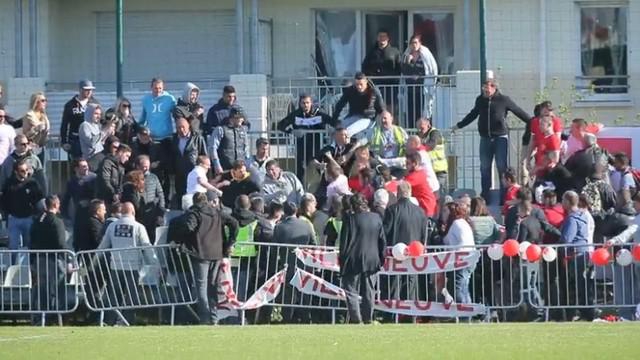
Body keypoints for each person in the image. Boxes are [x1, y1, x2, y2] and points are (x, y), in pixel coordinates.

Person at [453, 78, 531, 202]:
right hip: (485, 138)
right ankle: (485, 197)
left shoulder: (504, 100)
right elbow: (473, 114)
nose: (486, 91)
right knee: (485, 168)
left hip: (500, 137)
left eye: (488, 88)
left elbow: (518, 111)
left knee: (501, 167)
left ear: (494, 88)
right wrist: (459, 125)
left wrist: (532, 121)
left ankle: (503, 197)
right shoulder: (480, 100)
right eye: (484, 88)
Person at [98, 202, 158, 325]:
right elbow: (147, 247)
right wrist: (156, 264)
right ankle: (127, 321)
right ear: (133, 212)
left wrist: (93, 261)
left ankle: (110, 321)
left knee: (114, 296)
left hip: (115, 266)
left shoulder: (112, 226)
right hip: (133, 266)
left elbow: (103, 246)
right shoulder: (138, 227)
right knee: (131, 297)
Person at [339, 193, 386, 324]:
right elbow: (382, 241)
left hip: (353, 258)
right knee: (369, 291)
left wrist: (342, 261)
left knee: (351, 291)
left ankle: (356, 319)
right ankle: (368, 318)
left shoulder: (350, 219)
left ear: (353, 206)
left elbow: (344, 243)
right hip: (372, 258)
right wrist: (382, 258)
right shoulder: (377, 218)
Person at [29, 195, 69, 324]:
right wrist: (67, 260)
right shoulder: (56, 222)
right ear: (56, 205)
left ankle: (41, 318)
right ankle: (56, 318)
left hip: (39, 260)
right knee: (56, 290)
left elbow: (31, 241)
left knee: (41, 291)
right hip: (54, 260)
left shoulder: (37, 221)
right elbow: (61, 243)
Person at [277, 94, 337, 178]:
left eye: (307, 103)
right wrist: (292, 131)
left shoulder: (319, 113)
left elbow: (334, 123)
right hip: (301, 144)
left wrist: (332, 130)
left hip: (316, 144)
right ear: (300, 104)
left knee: (321, 169)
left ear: (311, 103)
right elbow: (280, 126)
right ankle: (299, 188)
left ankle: (323, 185)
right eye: (303, 103)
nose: (305, 105)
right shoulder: (295, 115)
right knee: (301, 169)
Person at [558, 191, 594, 321]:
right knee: (584, 285)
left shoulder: (572, 218)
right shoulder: (583, 216)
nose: (561, 202)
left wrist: (561, 251)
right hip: (583, 253)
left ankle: (585, 314)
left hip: (576, 255)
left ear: (568, 201)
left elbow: (567, 239)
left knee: (580, 286)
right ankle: (587, 313)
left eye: (562, 200)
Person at [1, 160, 44, 252]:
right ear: (16, 171)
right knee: (13, 245)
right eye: (22, 171)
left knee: (28, 244)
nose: (25, 173)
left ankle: (27, 265)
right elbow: (3, 201)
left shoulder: (32, 183)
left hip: (29, 218)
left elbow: (39, 199)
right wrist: (5, 216)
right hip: (13, 218)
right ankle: (13, 265)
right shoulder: (9, 183)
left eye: (27, 170)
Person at [332, 72, 385, 138]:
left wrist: (383, 120)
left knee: (348, 131)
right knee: (337, 130)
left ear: (366, 82)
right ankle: (334, 146)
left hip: (368, 118)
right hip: (353, 116)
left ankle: (346, 143)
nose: (359, 87)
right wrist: (334, 120)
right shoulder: (350, 90)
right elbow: (340, 104)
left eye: (361, 84)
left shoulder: (373, 91)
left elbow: (381, 107)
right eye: (357, 84)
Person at [442, 202, 475, 304]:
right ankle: (467, 313)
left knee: (458, 289)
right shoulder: (461, 223)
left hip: (461, 260)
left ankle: (464, 314)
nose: (443, 214)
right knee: (464, 289)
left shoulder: (456, 223)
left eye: (445, 211)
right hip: (468, 259)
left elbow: (461, 242)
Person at [361, 29, 401, 113]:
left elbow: (399, 67)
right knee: (377, 108)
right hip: (375, 85)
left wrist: (395, 79)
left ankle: (392, 125)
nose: (382, 38)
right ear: (377, 38)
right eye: (380, 36)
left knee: (391, 108)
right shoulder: (372, 52)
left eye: (384, 36)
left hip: (391, 86)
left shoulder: (394, 51)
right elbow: (364, 68)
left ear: (388, 38)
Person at [401, 34, 439, 124]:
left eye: (416, 43)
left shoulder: (425, 54)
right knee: (411, 112)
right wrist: (408, 62)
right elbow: (404, 71)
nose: (414, 45)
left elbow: (430, 69)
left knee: (424, 110)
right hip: (410, 88)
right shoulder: (407, 55)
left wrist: (419, 76)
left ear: (420, 43)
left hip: (423, 88)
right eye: (412, 43)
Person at [171, 117, 207, 201]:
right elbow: (172, 156)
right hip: (179, 174)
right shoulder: (174, 139)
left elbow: (204, 156)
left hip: (194, 174)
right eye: (179, 127)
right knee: (181, 197)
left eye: (183, 127)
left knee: (195, 198)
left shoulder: (197, 138)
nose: (181, 129)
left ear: (188, 126)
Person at [61, 80, 100, 158]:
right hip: (75, 140)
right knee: (77, 164)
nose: (89, 92)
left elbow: (101, 120)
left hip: (91, 140)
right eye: (86, 90)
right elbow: (64, 124)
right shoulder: (70, 105)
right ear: (80, 89)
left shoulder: (95, 103)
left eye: (90, 90)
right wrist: (64, 142)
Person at [136, 155, 165, 241]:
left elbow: (160, 194)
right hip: (139, 215)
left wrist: (161, 211)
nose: (146, 169)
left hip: (153, 213)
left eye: (147, 167)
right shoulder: (133, 178)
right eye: (144, 167)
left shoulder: (153, 177)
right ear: (138, 166)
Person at [416, 117, 448, 195]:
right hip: (428, 171)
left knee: (438, 194)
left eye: (422, 128)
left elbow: (431, 145)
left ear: (428, 125)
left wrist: (418, 147)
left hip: (439, 171)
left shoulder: (435, 133)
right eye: (418, 129)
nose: (420, 131)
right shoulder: (419, 136)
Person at [61, 159, 97, 224]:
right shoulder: (72, 182)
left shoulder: (94, 178)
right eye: (83, 166)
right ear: (76, 169)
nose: (86, 168)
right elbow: (66, 199)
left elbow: (98, 195)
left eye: (87, 166)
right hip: (79, 213)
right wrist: (65, 214)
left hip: (93, 212)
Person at [404, 152, 437, 217]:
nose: (406, 166)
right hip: (427, 206)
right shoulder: (420, 173)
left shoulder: (415, 175)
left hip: (426, 207)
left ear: (415, 164)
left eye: (408, 163)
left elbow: (401, 185)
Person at [22, 92, 50, 159]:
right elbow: (25, 134)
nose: (45, 102)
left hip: (42, 146)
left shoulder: (44, 116)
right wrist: (36, 129)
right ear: (36, 102)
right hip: (31, 147)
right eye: (43, 100)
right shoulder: (29, 115)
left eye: (46, 100)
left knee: (41, 168)